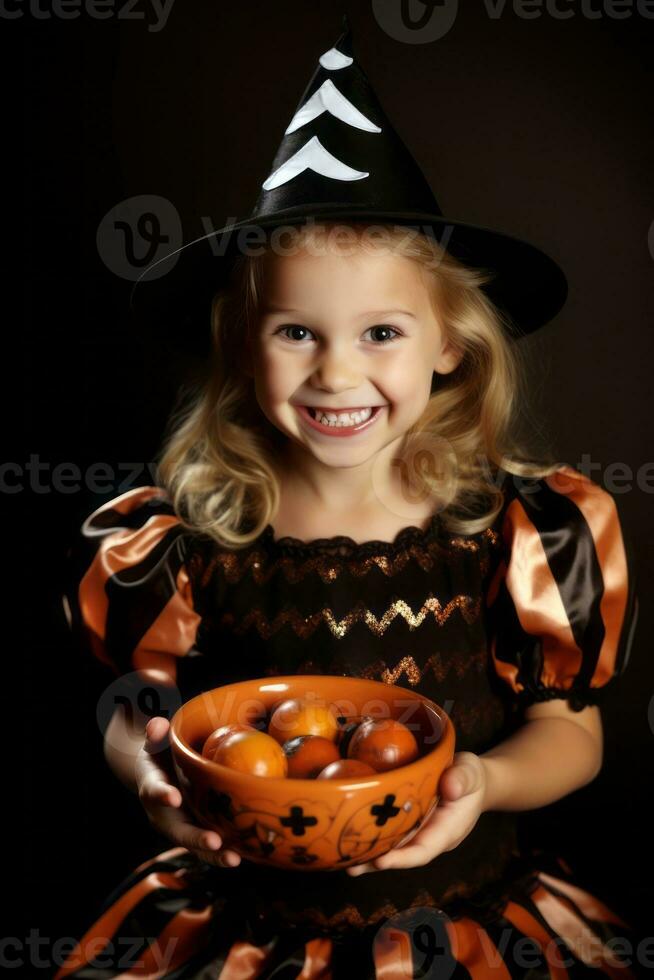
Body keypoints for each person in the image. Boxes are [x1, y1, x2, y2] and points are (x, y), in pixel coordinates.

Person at [55, 20, 643, 980]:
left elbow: (573, 735)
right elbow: (134, 707)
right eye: (296, 331)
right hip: (241, 918)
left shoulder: (522, 527)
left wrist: (481, 782)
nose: (336, 374)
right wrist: (152, 777)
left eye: (380, 332)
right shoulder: (176, 536)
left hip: (457, 919)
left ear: (449, 345)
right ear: (245, 345)